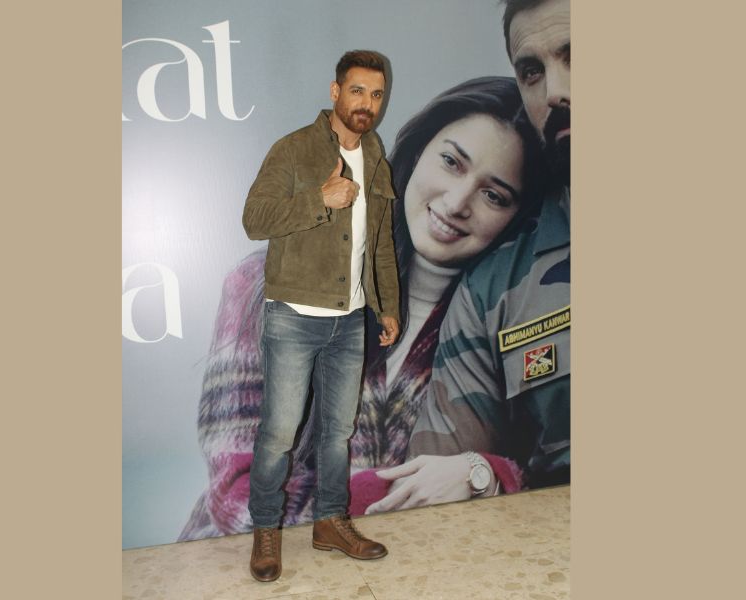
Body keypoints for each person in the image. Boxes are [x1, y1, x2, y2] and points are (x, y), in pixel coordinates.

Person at [178, 78, 541, 545]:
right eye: (452, 162)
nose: (457, 203)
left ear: (518, 217)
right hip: (243, 567)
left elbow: (537, 476)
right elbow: (240, 499)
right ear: (417, 151)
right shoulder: (267, 282)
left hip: (404, 572)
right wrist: (414, 497)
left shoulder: (495, 325)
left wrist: (483, 474)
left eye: (495, 195)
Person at [365, 0, 571, 515]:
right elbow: (426, 499)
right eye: (532, 71)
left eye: (582, 55)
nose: (556, 90)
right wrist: (488, 475)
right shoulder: (491, 290)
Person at [242, 49, 400, 583]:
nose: (367, 104)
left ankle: (331, 521)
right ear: (335, 92)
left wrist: (387, 305)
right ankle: (266, 529)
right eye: (357, 91)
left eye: (376, 94)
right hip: (293, 315)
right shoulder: (294, 149)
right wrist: (320, 198)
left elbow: (380, 243)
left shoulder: (376, 157)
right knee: (279, 433)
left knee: (338, 432)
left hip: (350, 319)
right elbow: (254, 219)